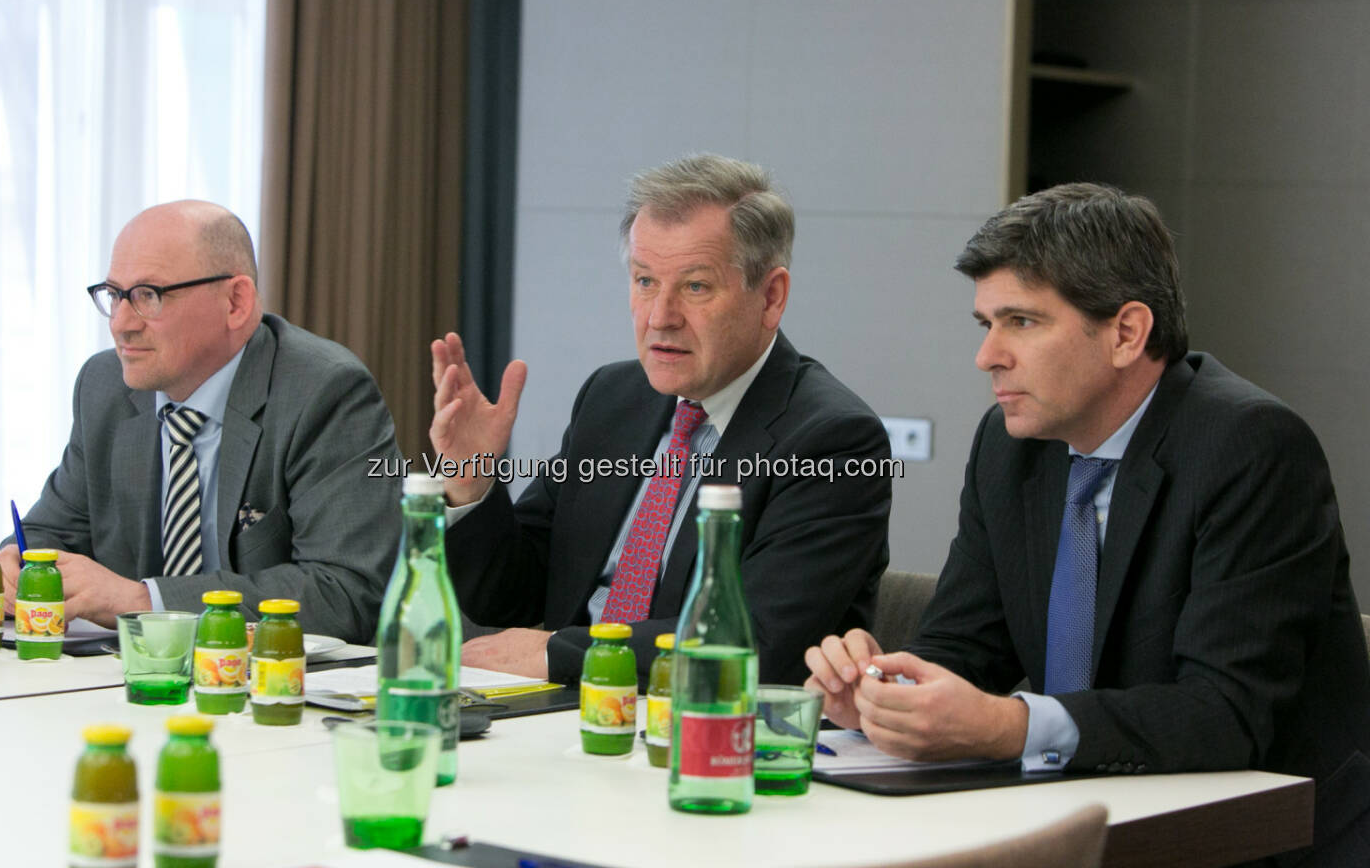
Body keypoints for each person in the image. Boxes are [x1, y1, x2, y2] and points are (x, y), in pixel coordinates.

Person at [806, 183, 1370, 863]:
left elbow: (1224, 714)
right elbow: (963, 644)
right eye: (986, 325)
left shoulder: (1250, 445)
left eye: (1022, 321)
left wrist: (1008, 726)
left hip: (1256, 839)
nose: (988, 356)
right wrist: (883, 693)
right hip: (1079, 811)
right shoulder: (1009, 445)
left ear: (1127, 333)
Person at [431, 153, 893, 684]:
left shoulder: (833, 440)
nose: (660, 316)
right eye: (645, 281)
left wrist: (561, 655)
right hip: (562, 721)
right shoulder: (612, 397)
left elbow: (758, 642)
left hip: (713, 734)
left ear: (771, 296)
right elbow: (512, 597)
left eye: (695, 287)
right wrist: (470, 484)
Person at [0, 200, 401, 643]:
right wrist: (17, 564)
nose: (121, 324)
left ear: (235, 302)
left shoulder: (324, 391)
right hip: (131, 680)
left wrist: (142, 602)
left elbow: (346, 593)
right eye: (114, 295)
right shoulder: (105, 386)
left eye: (148, 296)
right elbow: (52, 533)